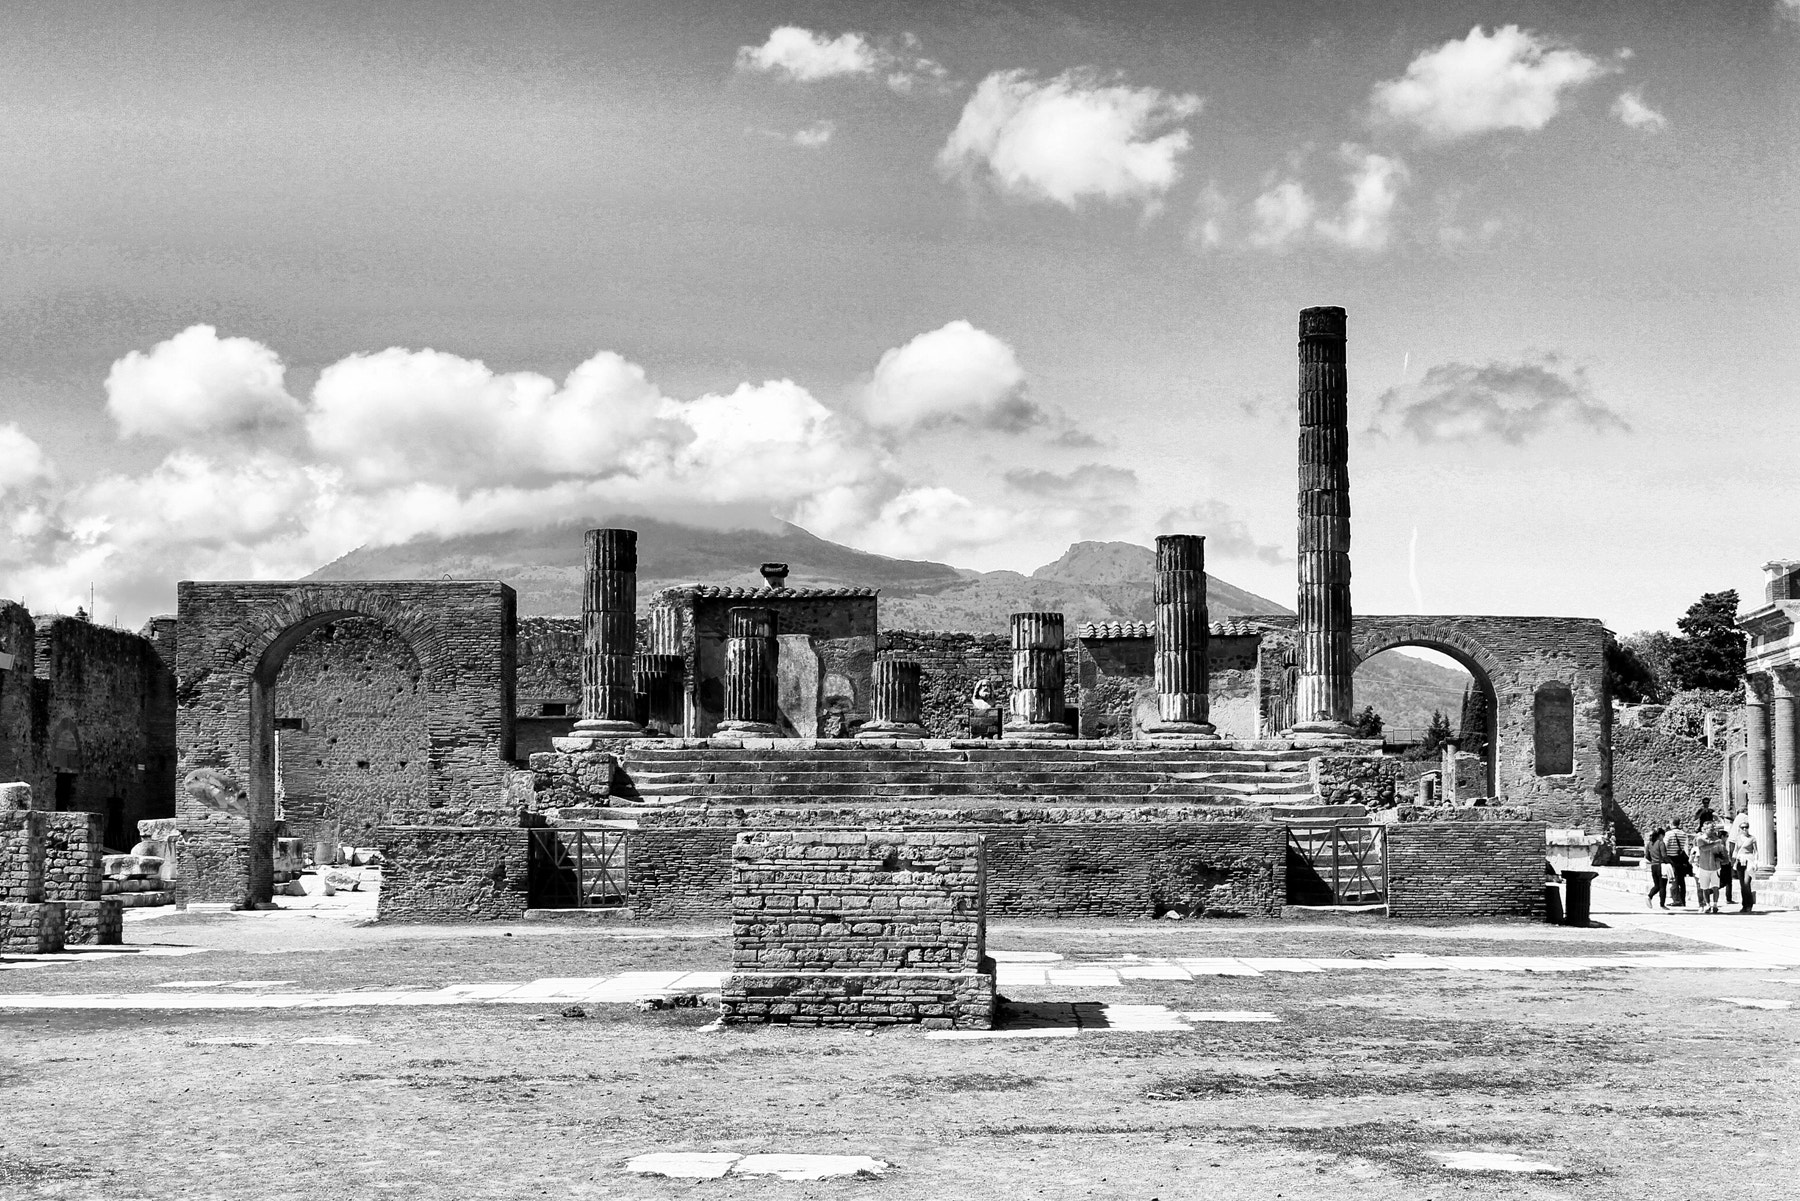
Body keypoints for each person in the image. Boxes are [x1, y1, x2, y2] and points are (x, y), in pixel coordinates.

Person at [1692, 820, 1729, 915]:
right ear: (1705, 829)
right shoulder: (1700, 839)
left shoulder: (1717, 839)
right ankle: (1707, 904)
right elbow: (1703, 848)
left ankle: (1715, 904)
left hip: (1715, 867)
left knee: (1715, 887)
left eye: (1713, 829)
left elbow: (1722, 853)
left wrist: (1721, 858)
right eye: (1710, 829)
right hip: (1704, 866)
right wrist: (1715, 844)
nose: (1713, 831)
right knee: (1704, 888)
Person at [1731, 813, 1758, 914]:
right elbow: (1735, 850)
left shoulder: (1752, 838)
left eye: (1746, 827)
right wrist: (1733, 860)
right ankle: (1744, 905)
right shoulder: (1738, 838)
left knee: (1747, 883)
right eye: (1742, 827)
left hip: (1749, 860)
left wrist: (1756, 862)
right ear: (1740, 828)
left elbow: (1756, 851)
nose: (1744, 829)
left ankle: (1749, 904)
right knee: (1742, 884)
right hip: (1739, 860)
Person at [1663, 820, 1692, 909]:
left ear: (1671, 824)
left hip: (1671, 858)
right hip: (1680, 858)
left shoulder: (1668, 834)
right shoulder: (1683, 834)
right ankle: (1682, 900)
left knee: (1673, 879)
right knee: (1681, 880)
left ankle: (1676, 900)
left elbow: (1665, 845)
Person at [1644, 826, 1669, 909]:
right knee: (1663, 886)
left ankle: (1649, 896)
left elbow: (1647, 856)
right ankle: (1662, 904)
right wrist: (1670, 863)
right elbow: (1664, 855)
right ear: (1660, 835)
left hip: (1653, 866)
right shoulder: (1660, 843)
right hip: (1661, 866)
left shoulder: (1649, 844)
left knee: (1657, 885)